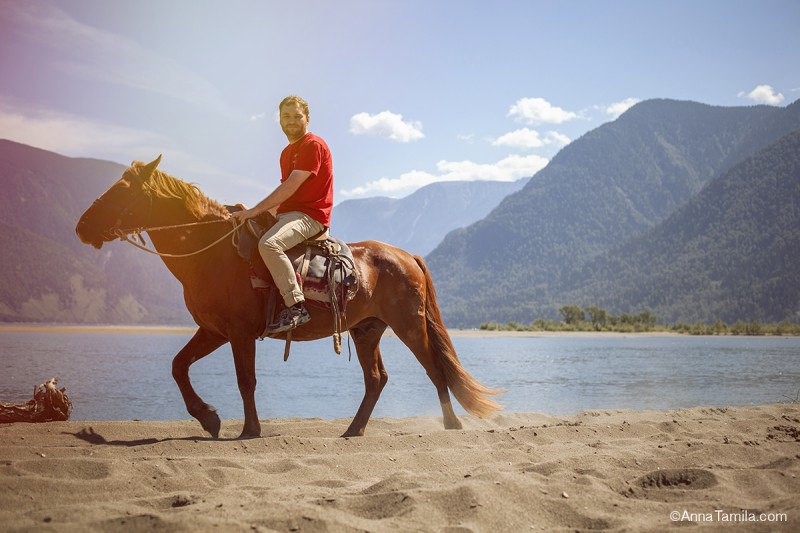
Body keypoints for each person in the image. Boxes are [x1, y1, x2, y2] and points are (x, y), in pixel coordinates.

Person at [231, 96, 334, 333]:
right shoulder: (287, 152)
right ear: (279, 120)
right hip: (288, 214)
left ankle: (296, 306)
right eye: (286, 116)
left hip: (310, 217)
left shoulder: (313, 145)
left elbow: (290, 187)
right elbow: (286, 198)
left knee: (269, 245)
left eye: (297, 116)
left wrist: (255, 210)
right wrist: (247, 214)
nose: (292, 121)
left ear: (307, 118)